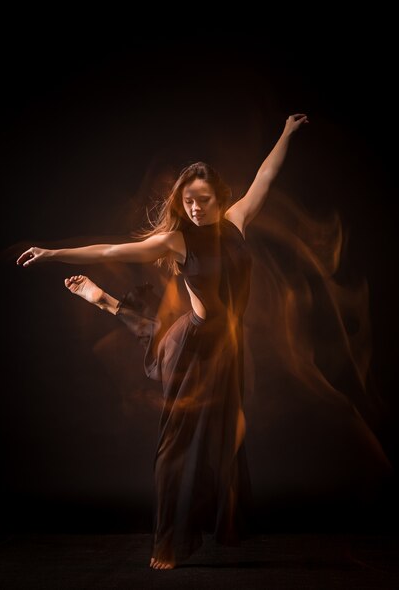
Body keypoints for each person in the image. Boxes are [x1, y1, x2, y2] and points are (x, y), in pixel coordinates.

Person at [17, 113, 309, 569]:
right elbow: (110, 250)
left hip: (226, 348)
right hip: (193, 348)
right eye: (188, 201)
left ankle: (109, 304)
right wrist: (53, 252)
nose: (194, 208)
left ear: (220, 199)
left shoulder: (237, 220)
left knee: (224, 440)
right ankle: (165, 543)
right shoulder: (175, 241)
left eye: (203, 200)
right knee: (174, 446)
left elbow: (266, 174)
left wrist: (287, 133)